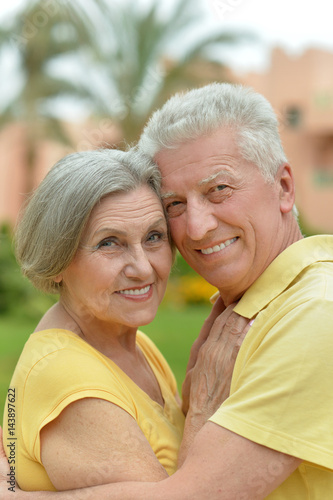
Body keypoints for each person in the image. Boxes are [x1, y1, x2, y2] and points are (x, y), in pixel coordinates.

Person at [2, 82, 333, 498]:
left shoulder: (314, 315)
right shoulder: (78, 370)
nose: (196, 227)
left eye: (219, 190)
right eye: (175, 204)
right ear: (59, 257)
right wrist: (201, 410)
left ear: (284, 186)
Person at [0, 146, 248, 493]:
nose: (143, 267)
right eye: (109, 243)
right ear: (57, 260)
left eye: (153, 237)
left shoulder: (131, 343)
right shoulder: (68, 376)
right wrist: (204, 408)